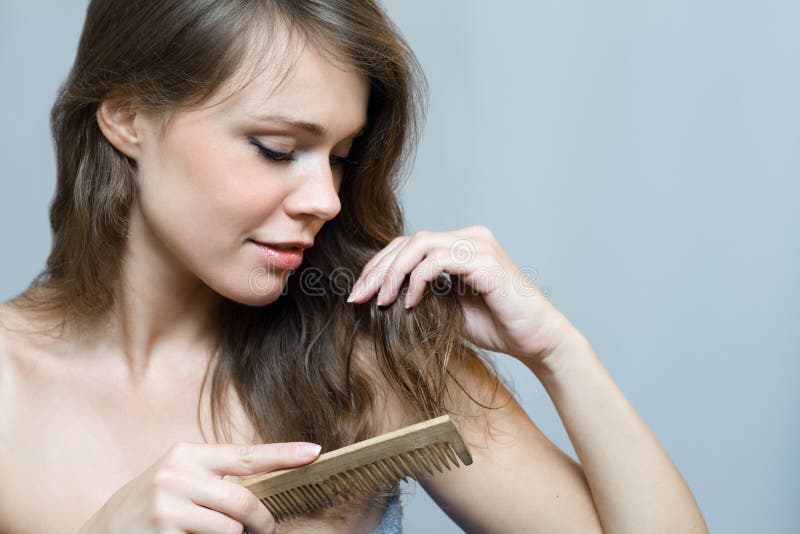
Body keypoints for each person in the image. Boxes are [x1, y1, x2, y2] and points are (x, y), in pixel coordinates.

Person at [0, 1, 709, 533]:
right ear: (128, 118)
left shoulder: (361, 361)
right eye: (277, 148)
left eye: (340, 157)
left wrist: (559, 352)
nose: (325, 199)